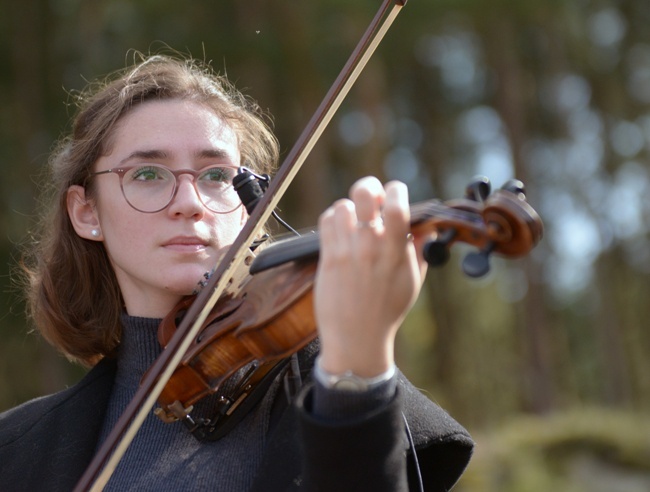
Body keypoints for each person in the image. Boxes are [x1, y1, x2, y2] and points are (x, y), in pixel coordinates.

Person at [0, 53, 473, 491]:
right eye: (147, 174)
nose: (189, 203)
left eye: (217, 176)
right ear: (87, 213)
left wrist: (360, 366)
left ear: (248, 208)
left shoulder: (348, 395)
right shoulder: (17, 449)